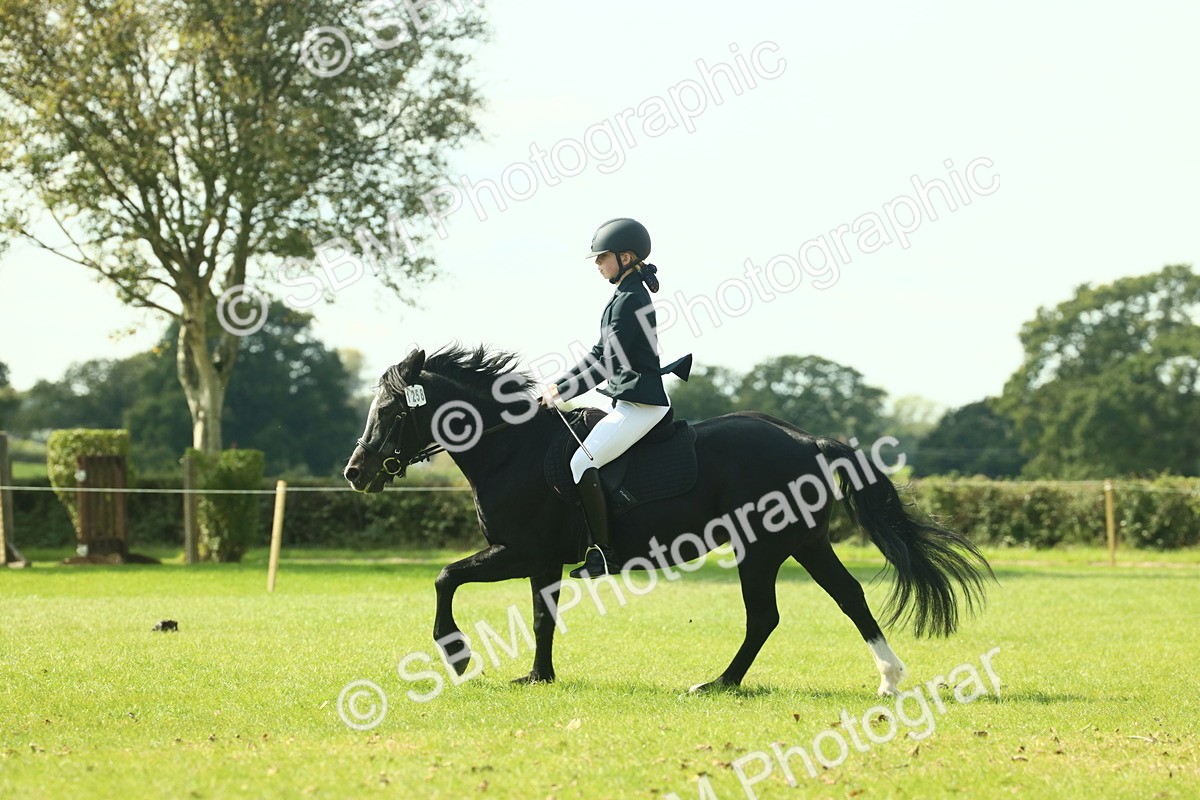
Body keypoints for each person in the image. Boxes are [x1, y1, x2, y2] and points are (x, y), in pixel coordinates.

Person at [540, 217, 687, 578]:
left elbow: (609, 362)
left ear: (625, 257)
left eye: (602, 257)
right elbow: (597, 352)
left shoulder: (629, 299)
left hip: (641, 406)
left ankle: (604, 554)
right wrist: (559, 386)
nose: (597, 263)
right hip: (627, 402)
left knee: (581, 463)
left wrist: (564, 391)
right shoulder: (623, 296)